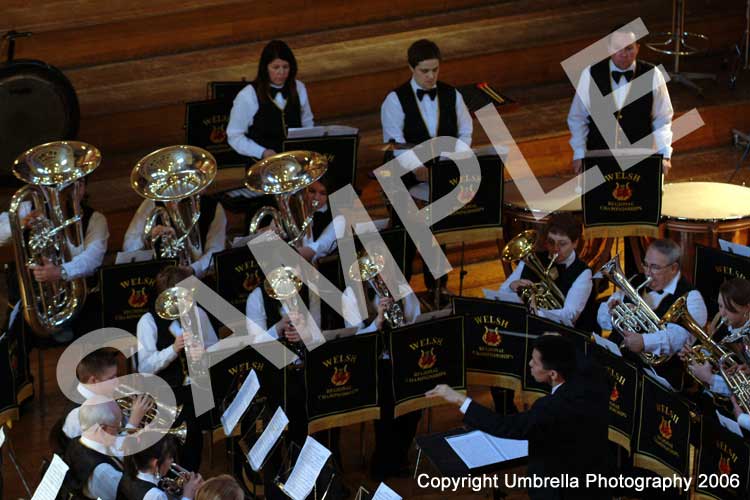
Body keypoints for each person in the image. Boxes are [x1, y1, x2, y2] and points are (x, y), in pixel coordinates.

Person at [426, 334, 610, 500]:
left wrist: (459, 399)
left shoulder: (549, 408)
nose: (530, 364)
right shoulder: (594, 382)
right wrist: (557, 342)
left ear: (553, 374)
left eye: (535, 362)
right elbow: (585, 361)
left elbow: (505, 425)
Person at [380, 38, 472, 299]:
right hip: (406, 179)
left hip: (440, 175)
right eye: (424, 71)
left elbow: (465, 132)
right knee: (407, 238)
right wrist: (416, 167)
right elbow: (395, 143)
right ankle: (401, 295)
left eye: (435, 70)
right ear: (411, 68)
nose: (431, 76)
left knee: (437, 237)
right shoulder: (395, 100)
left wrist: (452, 160)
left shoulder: (452, 94)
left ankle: (438, 289)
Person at [341, 250, 421, 480]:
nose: (380, 274)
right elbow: (354, 340)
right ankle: (383, 463)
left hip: (401, 357)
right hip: (371, 362)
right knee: (387, 406)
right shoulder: (352, 294)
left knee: (415, 403)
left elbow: (416, 322)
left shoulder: (402, 288)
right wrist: (377, 321)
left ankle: (399, 456)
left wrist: (400, 320)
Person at [136, 265, 218, 471]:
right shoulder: (148, 321)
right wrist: (173, 350)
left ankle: (191, 472)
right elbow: (145, 368)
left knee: (194, 437)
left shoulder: (198, 313)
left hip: (196, 388)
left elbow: (215, 348)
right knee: (184, 436)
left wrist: (204, 354)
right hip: (166, 392)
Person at [598, 239, 707, 388]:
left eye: (655, 267)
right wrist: (613, 312)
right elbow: (602, 318)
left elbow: (678, 339)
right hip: (617, 363)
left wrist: (644, 341)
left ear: (673, 268)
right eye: (645, 264)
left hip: (656, 379)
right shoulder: (636, 280)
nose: (647, 272)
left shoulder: (692, 298)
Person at [567, 24, 673, 176]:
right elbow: (577, 117)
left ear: (637, 48)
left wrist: (665, 154)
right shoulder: (590, 74)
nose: (623, 54)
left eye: (629, 48)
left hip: (640, 156)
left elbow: (663, 118)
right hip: (599, 156)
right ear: (609, 48)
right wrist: (579, 152)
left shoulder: (653, 74)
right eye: (618, 48)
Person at [498, 213, 598, 332]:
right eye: (551, 242)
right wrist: (511, 286)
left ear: (575, 243)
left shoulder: (583, 273)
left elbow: (569, 314)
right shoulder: (531, 259)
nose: (555, 249)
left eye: (562, 244)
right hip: (528, 328)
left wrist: (535, 313)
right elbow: (500, 294)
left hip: (565, 335)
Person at [227, 40, 314, 161]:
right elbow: (234, 136)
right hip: (263, 164)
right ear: (265, 68)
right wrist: (262, 152)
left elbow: (307, 123)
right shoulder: (248, 95)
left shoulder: (299, 88)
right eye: (276, 67)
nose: (281, 72)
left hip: (295, 161)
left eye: (285, 67)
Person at [55, 348, 151, 453]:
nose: (117, 381)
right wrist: (134, 421)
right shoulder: (80, 414)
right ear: (93, 380)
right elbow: (113, 451)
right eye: (111, 378)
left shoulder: (100, 393)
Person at [122, 196, 226, 280]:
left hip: (200, 280)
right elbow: (129, 246)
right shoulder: (152, 202)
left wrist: (193, 269)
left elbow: (216, 250)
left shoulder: (213, 207)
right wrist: (148, 238)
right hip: (160, 279)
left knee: (214, 301)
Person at [681, 278, 750, 398]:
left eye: (729, 309)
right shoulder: (720, 320)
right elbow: (711, 349)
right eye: (720, 306)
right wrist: (694, 356)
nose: (722, 313)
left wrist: (710, 379)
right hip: (712, 392)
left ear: (747, 308)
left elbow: (746, 390)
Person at [63, 398, 125, 500]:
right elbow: (128, 495)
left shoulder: (76, 442)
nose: (120, 430)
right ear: (102, 429)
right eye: (117, 426)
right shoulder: (104, 471)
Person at [117, 433, 203, 500]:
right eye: (170, 457)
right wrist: (188, 495)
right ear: (155, 463)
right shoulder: (155, 495)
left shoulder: (129, 472)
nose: (172, 460)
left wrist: (173, 494)